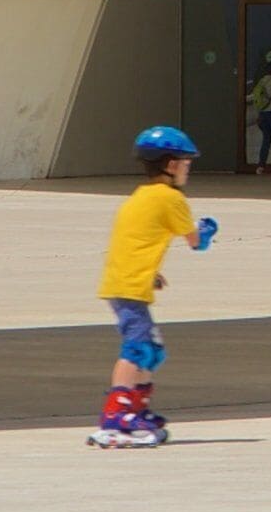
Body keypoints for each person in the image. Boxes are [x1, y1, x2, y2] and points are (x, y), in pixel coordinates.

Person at [89, 124, 209, 448]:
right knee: (137, 348)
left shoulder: (141, 197)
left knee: (152, 351)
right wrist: (207, 230)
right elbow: (196, 242)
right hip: (128, 287)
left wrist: (149, 273)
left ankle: (137, 409)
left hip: (123, 282)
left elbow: (136, 241)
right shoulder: (171, 199)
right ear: (171, 165)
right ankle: (116, 415)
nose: (187, 169)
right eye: (186, 163)